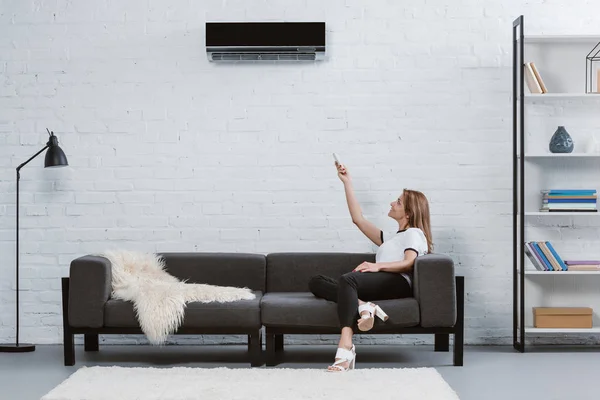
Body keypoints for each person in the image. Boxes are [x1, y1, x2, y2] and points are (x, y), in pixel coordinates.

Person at [308, 160, 433, 372]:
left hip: (397, 283)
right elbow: (358, 219)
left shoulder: (414, 233)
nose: (393, 203)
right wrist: (347, 182)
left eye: (399, 202)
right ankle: (364, 305)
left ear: (409, 214)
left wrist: (378, 267)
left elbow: (409, 262)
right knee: (317, 282)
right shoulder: (392, 238)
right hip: (382, 282)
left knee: (348, 279)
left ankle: (346, 344)